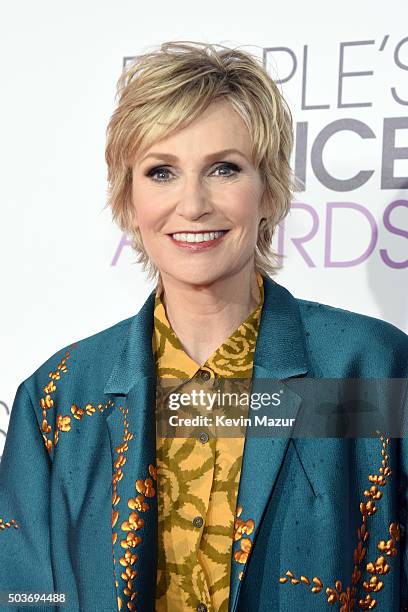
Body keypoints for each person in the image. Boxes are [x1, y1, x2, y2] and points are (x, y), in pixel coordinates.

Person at [0, 40, 407, 612]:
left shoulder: (366, 368)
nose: (192, 204)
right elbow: (24, 594)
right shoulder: (61, 394)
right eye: (161, 171)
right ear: (127, 197)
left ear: (268, 189)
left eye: (224, 168)